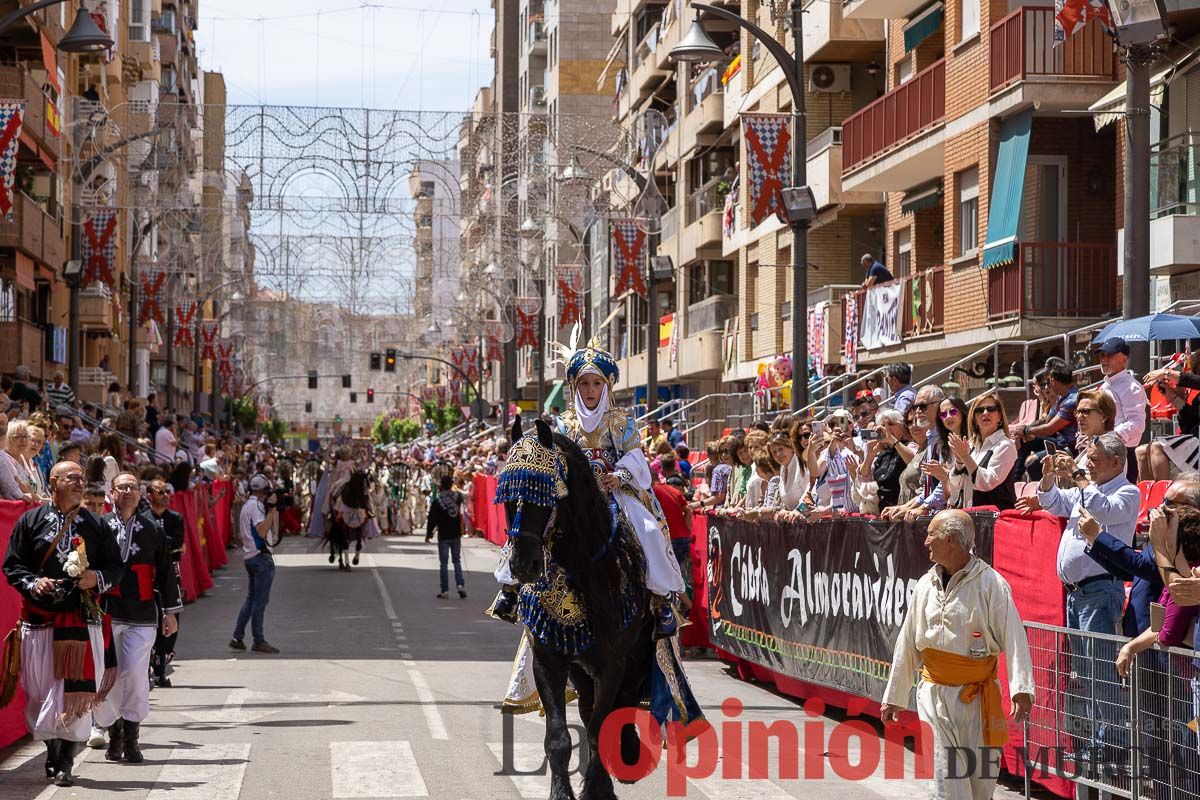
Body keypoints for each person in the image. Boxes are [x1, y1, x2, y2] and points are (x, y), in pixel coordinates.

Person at [491, 333, 686, 638]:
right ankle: (511, 588)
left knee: (647, 529)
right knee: (530, 523)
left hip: (615, 494)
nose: (591, 390)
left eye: (596, 383)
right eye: (584, 383)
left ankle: (661, 599)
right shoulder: (564, 424)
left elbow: (636, 459)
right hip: (572, 497)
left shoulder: (621, 421)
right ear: (574, 387)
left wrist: (618, 476)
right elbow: (553, 458)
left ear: (607, 386)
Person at [881, 509, 1034, 800]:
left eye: (931, 535)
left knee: (981, 785)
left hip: (979, 701)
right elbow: (908, 641)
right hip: (933, 697)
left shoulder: (991, 584)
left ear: (950, 540)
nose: (925, 541)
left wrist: (1021, 689)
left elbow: (1015, 637)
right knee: (947, 783)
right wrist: (894, 695)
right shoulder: (925, 584)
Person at [2, 461, 125, 787]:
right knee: (39, 695)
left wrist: (94, 577)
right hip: (40, 624)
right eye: (72, 478)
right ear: (53, 483)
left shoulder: (95, 525)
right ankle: (52, 748)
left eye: (82, 479)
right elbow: (12, 565)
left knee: (77, 698)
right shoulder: (31, 521)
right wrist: (32, 583)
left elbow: (116, 567)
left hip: (82, 624)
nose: (79, 483)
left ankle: (66, 761)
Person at [1036, 433, 1139, 756]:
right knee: (1086, 667)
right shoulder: (1087, 490)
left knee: (1101, 669)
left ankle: (1113, 742)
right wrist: (1048, 477)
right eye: (1087, 459)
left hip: (1099, 589)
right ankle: (1102, 739)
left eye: (1094, 460)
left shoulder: (1128, 491)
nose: (1088, 464)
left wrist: (1080, 479)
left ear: (1116, 463)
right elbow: (1051, 502)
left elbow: (1104, 511)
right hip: (1076, 593)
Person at [93, 472, 180, 764]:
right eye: (123, 487)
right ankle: (114, 732)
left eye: (133, 487)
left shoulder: (152, 528)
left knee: (134, 674)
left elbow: (167, 571)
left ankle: (132, 738)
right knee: (108, 677)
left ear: (140, 493)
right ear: (112, 492)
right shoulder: (101, 526)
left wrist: (170, 612)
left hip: (142, 612)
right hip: (108, 612)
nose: (129, 491)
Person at [230, 475, 280, 654]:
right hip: (260, 557)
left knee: (251, 599)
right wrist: (272, 511)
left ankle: (237, 636)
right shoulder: (258, 507)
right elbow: (261, 530)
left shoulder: (246, 506)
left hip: (250, 557)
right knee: (260, 602)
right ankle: (258, 640)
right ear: (264, 491)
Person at [948, 392, 1017, 510]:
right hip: (971, 516)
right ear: (974, 419)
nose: (985, 413)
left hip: (997, 519)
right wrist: (959, 462)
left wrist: (965, 457)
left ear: (999, 416)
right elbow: (956, 486)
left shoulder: (1005, 445)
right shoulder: (971, 446)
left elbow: (987, 483)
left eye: (991, 409)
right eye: (979, 410)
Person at [147, 478, 186, 687]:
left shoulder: (176, 518)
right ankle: (152, 665)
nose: (165, 496)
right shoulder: (144, 518)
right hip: (150, 575)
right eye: (160, 492)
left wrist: (159, 542)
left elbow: (176, 542)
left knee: (173, 618)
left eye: (166, 491)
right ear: (150, 495)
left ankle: (163, 665)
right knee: (152, 619)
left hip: (171, 573)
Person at [1140, 351, 1200, 479]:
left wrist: (1166, 372)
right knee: (1142, 451)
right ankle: (1148, 496)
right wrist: (1172, 395)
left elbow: (1194, 381)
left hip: (1197, 444)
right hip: (1195, 441)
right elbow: (1189, 424)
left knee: (1157, 447)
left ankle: (1164, 497)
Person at [1095, 337, 1147, 481]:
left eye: (1109, 355)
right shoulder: (1104, 386)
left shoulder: (1131, 388)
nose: (1104, 359)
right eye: (1102, 355)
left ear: (1124, 359)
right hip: (1102, 449)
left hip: (1123, 454)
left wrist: (1110, 436)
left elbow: (1136, 424)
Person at [425, 473, 467, 599]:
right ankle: (460, 585)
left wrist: (428, 534)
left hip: (443, 534)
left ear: (441, 486)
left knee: (443, 563)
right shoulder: (457, 497)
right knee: (457, 561)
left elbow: (432, 519)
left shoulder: (437, 501)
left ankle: (445, 590)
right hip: (455, 533)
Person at [0, 419, 35, 501]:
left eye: (26, 436)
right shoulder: (5, 459)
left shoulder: (24, 458)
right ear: (8, 438)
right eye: (18, 437)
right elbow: (11, 487)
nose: (23, 440)